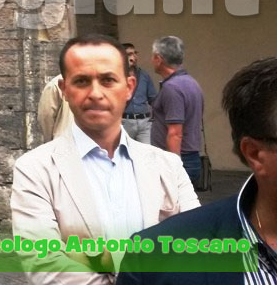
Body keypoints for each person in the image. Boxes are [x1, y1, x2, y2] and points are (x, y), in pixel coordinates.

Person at [11, 34, 200, 285]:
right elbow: (45, 265)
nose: (95, 93)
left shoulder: (168, 166)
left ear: (129, 87)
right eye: (81, 81)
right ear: (64, 90)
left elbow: (196, 247)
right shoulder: (35, 169)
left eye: (108, 80)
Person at [118, 57, 277, 284]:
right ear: (254, 153)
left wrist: (173, 163)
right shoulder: (155, 259)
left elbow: (175, 132)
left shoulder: (172, 89)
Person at [150, 35, 205, 187]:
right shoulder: (191, 82)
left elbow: (175, 133)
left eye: (153, 56)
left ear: (158, 58)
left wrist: (173, 168)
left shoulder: (172, 88)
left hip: (178, 160)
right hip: (189, 157)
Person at [120, 43, 157, 144]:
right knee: (125, 150)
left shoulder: (144, 75)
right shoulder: (118, 76)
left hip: (144, 122)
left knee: (146, 151)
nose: (134, 57)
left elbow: (153, 99)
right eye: (129, 54)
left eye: (135, 53)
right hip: (125, 121)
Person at [37, 73, 72, 142]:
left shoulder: (54, 84)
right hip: (63, 141)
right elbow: (46, 116)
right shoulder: (55, 85)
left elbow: (45, 116)